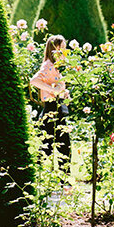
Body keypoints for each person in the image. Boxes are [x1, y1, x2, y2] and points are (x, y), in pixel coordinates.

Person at [30, 34, 71, 170]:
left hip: (57, 107)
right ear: (54, 49)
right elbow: (34, 81)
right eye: (62, 48)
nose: (64, 51)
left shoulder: (56, 66)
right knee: (50, 145)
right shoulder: (49, 65)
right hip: (51, 108)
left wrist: (62, 92)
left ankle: (63, 181)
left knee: (61, 145)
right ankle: (38, 176)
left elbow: (56, 85)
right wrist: (53, 90)